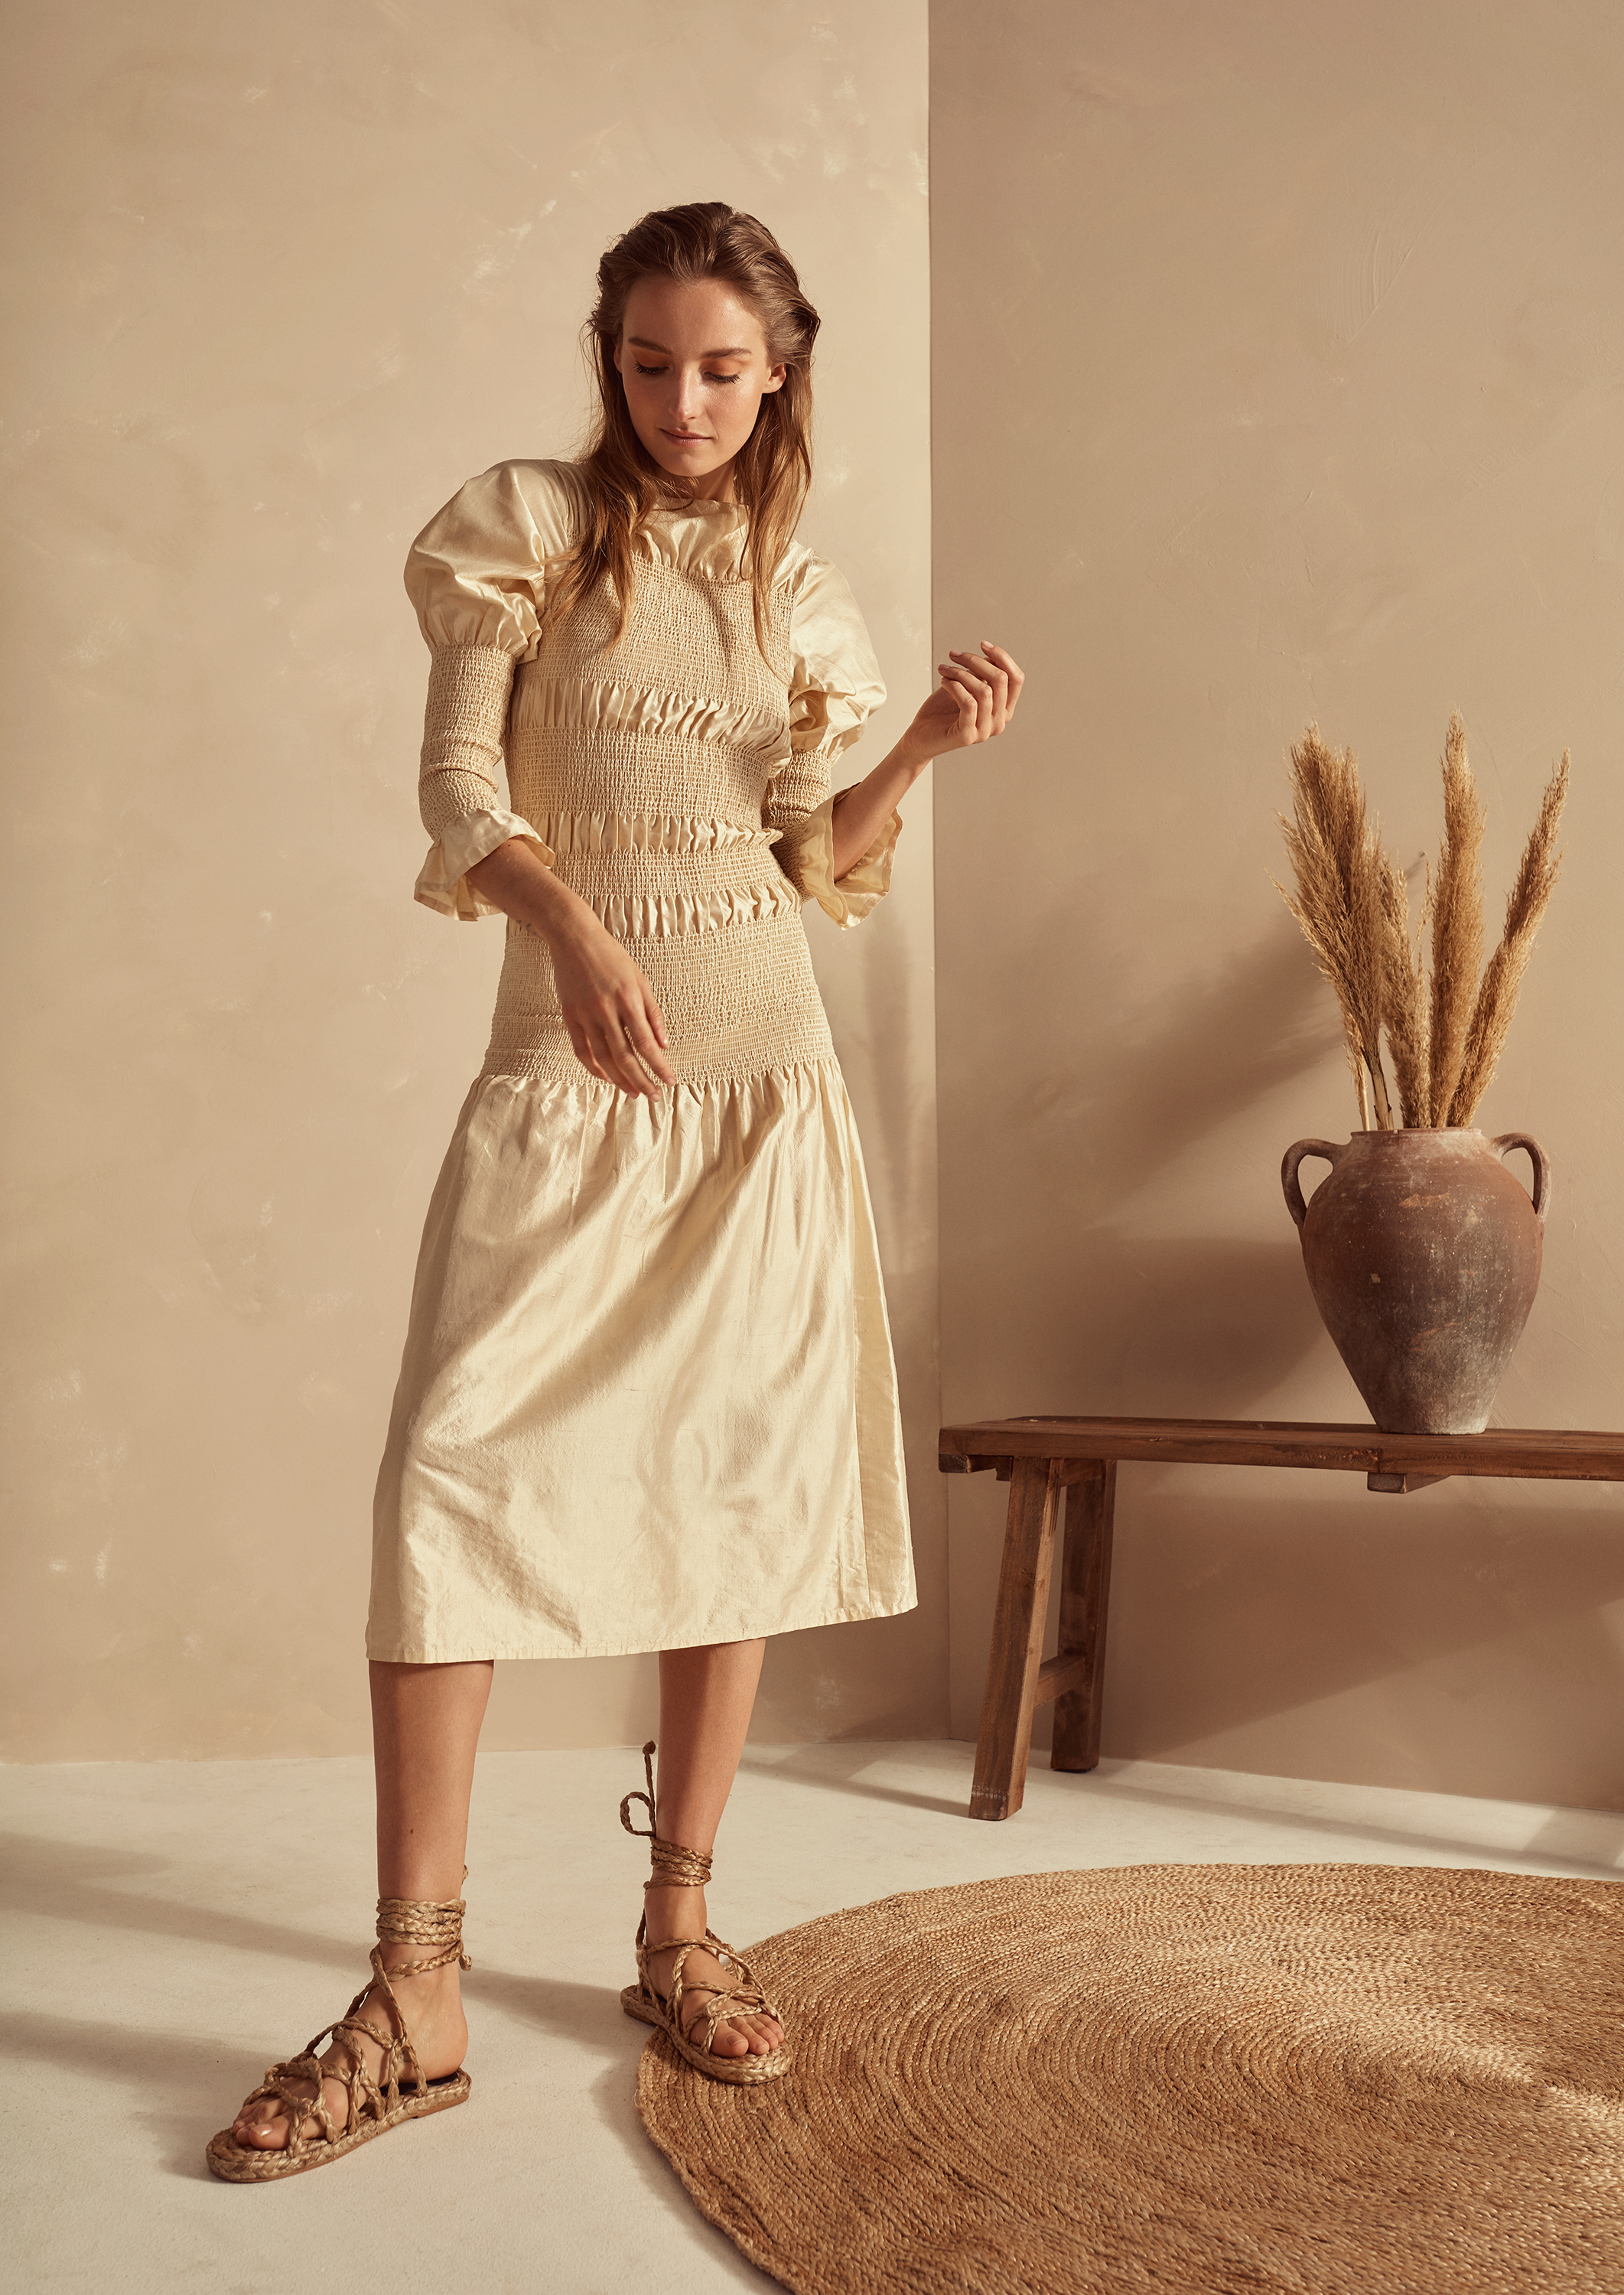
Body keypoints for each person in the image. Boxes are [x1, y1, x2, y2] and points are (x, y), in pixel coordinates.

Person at [207, 200, 1022, 2180]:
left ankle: (679, 1928)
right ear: (612, 359)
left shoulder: (795, 592)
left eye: (723, 368)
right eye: (651, 363)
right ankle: (415, 1989)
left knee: (728, 1490)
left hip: (759, 1085)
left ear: (781, 371)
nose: (684, 401)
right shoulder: (527, 535)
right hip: (571, 1084)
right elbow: (461, 795)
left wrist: (922, 742)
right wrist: (569, 931)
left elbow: (812, 854)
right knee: (447, 1483)